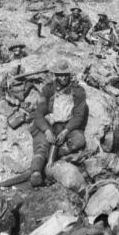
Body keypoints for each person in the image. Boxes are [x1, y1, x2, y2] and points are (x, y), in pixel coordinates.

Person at [29, 59, 88, 187]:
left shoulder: (78, 91)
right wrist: (47, 130)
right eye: (60, 75)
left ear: (70, 75)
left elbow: (78, 116)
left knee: (79, 140)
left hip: (66, 126)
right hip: (49, 124)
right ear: (55, 75)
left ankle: (55, 155)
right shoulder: (47, 89)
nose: (63, 78)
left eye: (66, 75)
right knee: (42, 143)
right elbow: (38, 113)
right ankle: (36, 172)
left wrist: (66, 130)